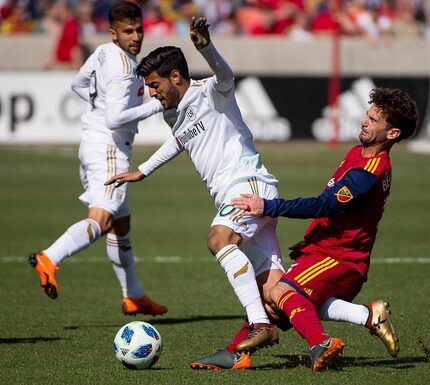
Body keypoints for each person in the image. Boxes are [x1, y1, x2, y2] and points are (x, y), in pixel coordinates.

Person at [105, 16, 285, 353]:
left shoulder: (213, 91)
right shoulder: (172, 111)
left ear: (175, 76)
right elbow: (179, 139)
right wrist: (142, 170)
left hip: (248, 186)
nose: (152, 92)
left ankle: (259, 325)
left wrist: (207, 48)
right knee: (277, 297)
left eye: (155, 84)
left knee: (218, 239)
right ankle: (362, 317)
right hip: (236, 194)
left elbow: (226, 75)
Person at [231, 87, 419, 371]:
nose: (364, 122)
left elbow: (324, 205)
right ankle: (368, 316)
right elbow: (338, 215)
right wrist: (311, 239)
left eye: (373, 120)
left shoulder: (368, 175)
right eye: (366, 116)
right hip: (323, 249)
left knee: (280, 293)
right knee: (278, 307)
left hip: (341, 259)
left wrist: (268, 206)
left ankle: (320, 342)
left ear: (392, 134)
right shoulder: (359, 153)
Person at [28, 0, 168, 317]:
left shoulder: (104, 51)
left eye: (139, 29)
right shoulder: (123, 67)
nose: (136, 36)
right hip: (109, 149)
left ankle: (133, 295)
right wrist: (158, 103)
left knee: (121, 224)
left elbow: (78, 83)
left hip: (94, 143)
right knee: (103, 219)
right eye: (128, 31)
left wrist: (98, 106)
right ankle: (49, 257)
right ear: (114, 33)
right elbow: (116, 119)